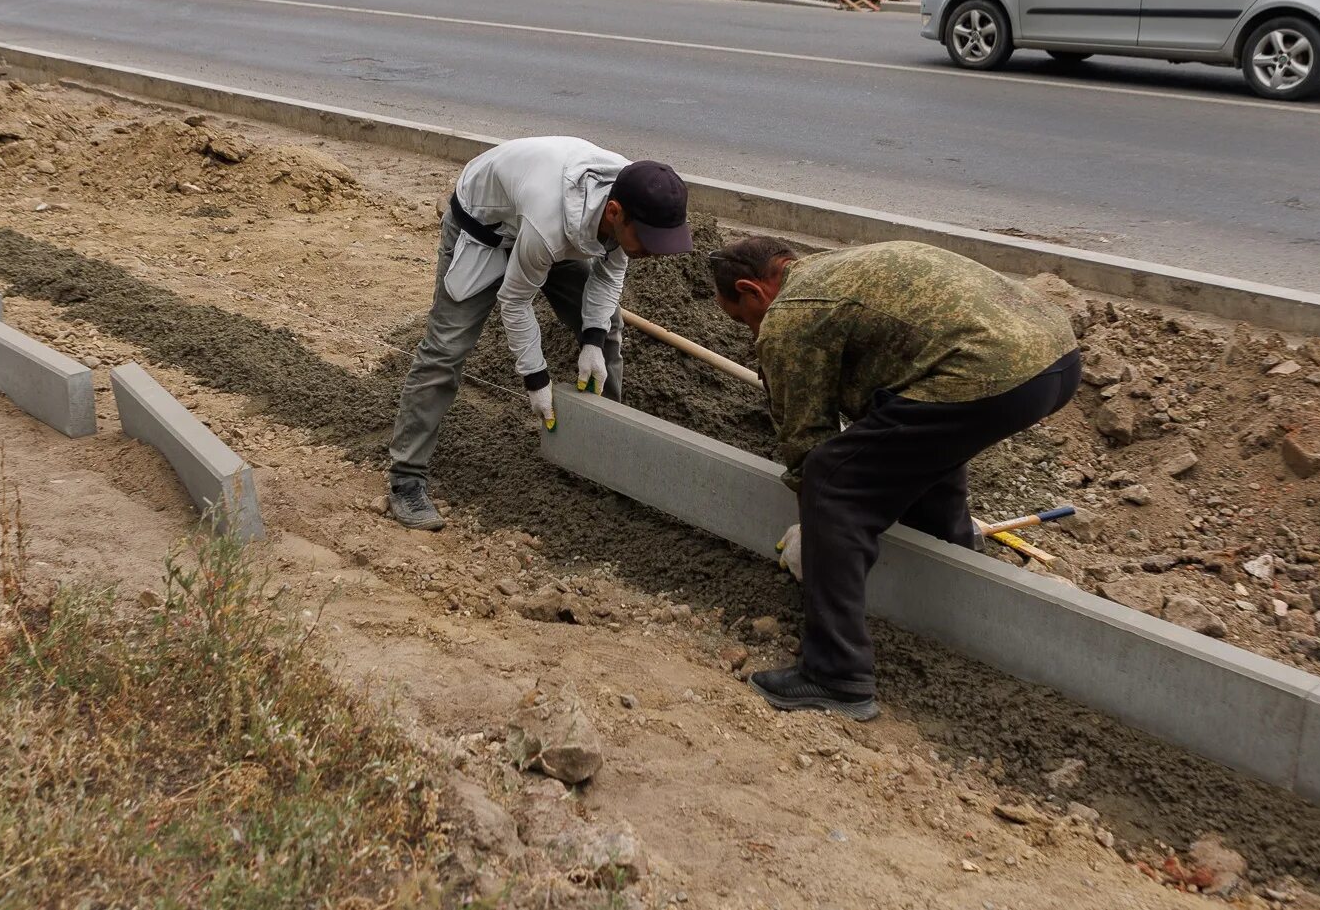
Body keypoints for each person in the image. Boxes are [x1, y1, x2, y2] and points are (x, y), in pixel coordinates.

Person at [711, 236, 1081, 720]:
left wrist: (818, 531)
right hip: (1055, 355)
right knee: (918, 451)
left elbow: (808, 443)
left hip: (993, 369)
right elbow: (885, 407)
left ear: (752, 290)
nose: (752, 332)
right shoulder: (835, 272)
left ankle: (835, 674)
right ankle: (948, 578)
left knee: (831, 478)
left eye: (744, 319)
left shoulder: (789, 316)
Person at [387, 136, 693, 531]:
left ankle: (605, 453)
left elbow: (610, 274)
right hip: (486, 230)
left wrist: (593, 341)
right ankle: (406, 479)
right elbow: (514, 300)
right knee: (445, 350)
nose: (651, 253)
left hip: (555, 234)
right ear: (615, 213)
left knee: (609, 328)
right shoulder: (552, 220)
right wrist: (536, 378)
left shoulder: (633, 191)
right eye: (648, 243)